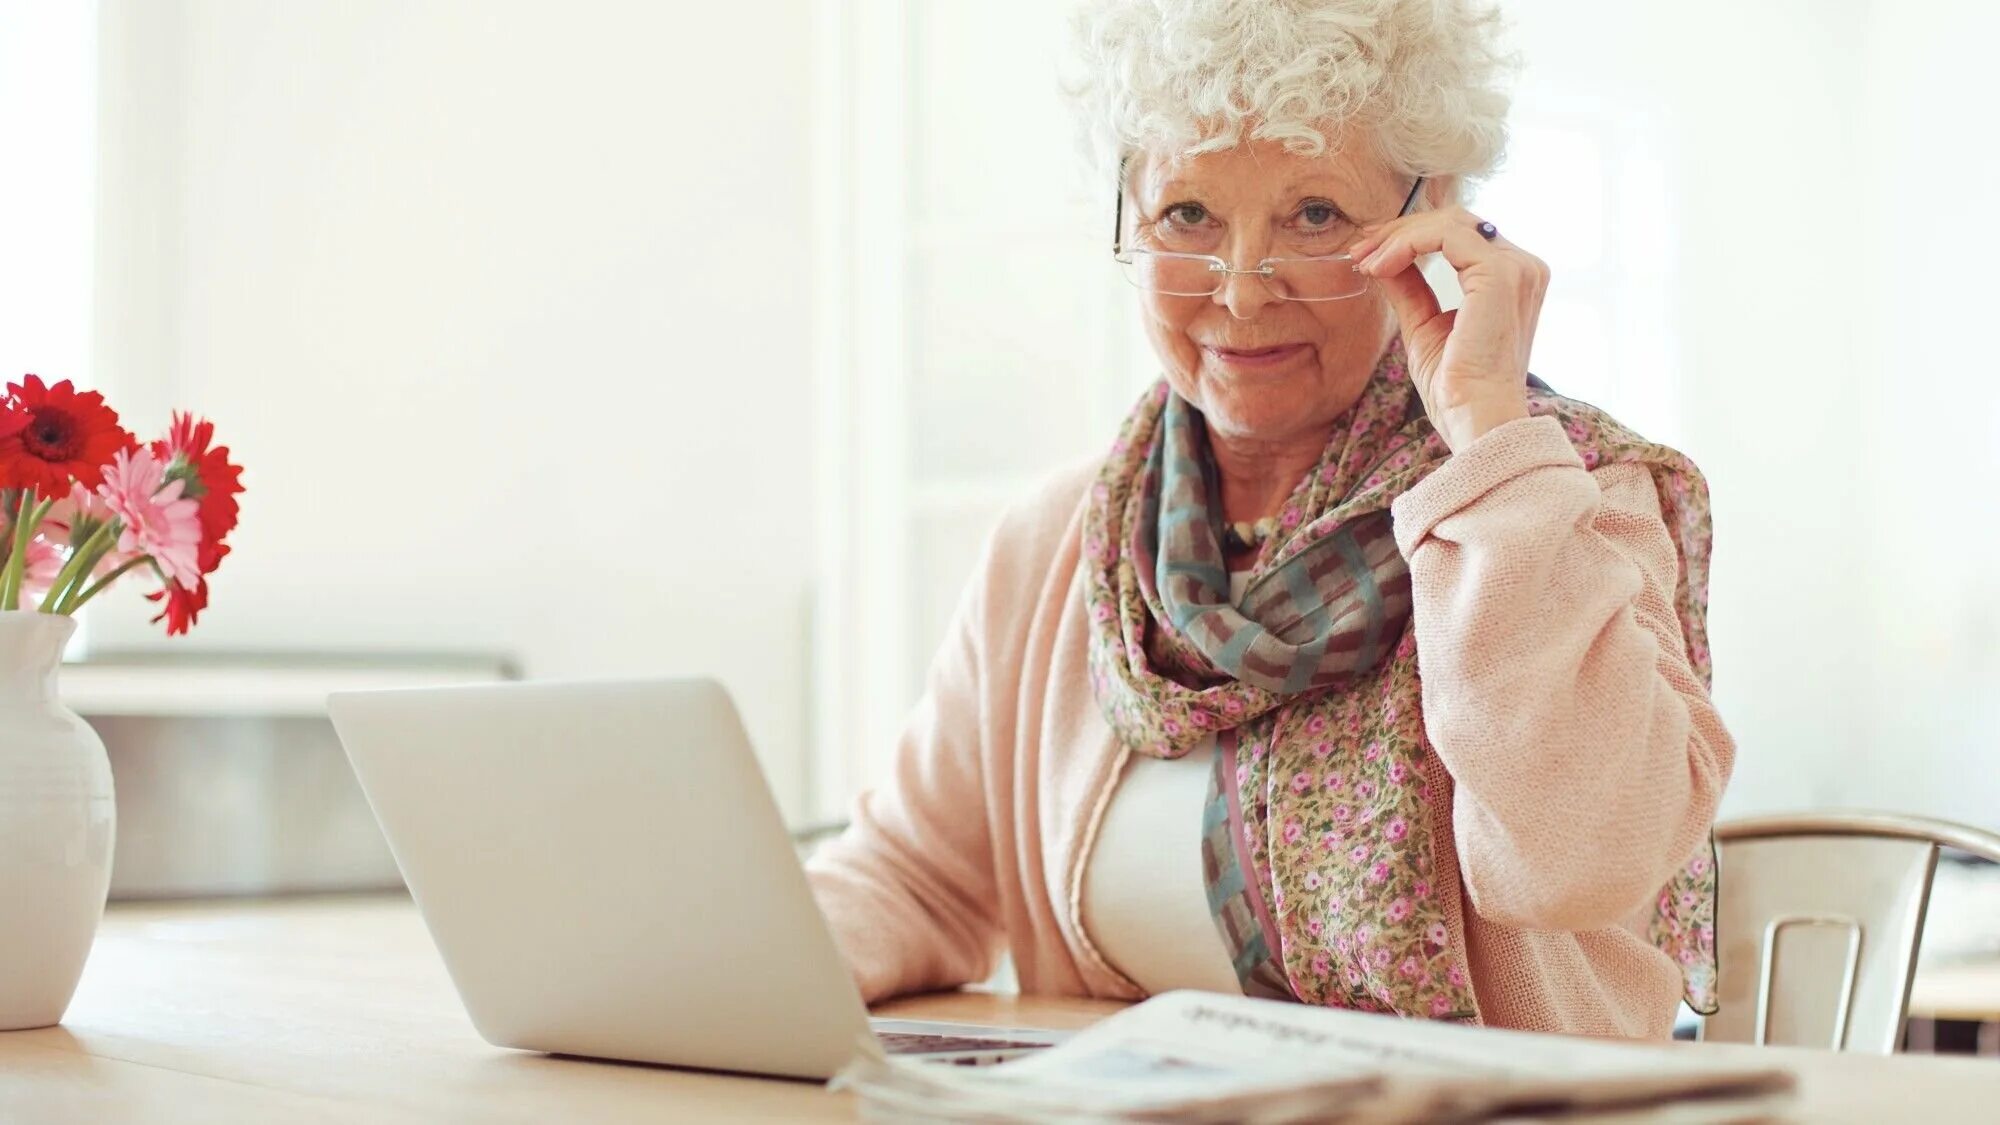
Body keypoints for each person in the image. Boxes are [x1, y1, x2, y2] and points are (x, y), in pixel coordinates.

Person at [807, 0, 1731, 1038]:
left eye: (1316, 217)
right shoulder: (1057, 540)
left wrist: (1484, 440)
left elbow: (1576, 863)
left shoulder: (1561, 498)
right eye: (1188, 215)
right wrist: (671, 962)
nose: (1241, 295)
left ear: (1431, 217)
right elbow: (916, 881)